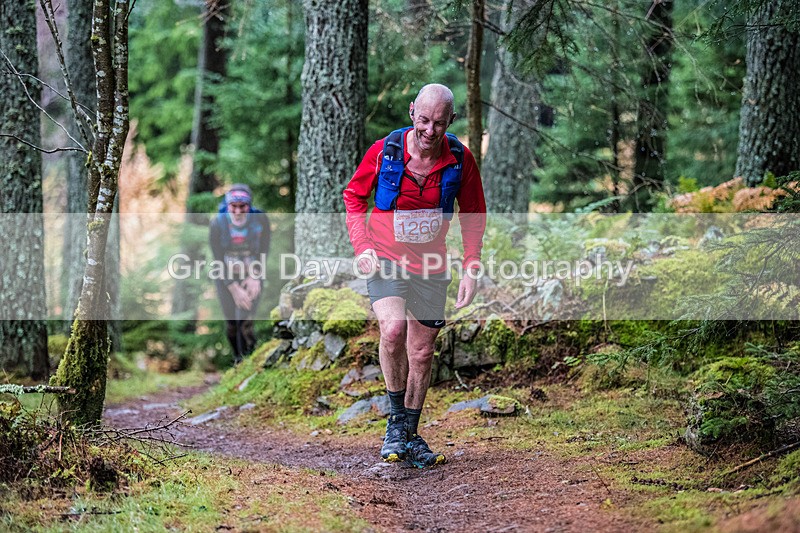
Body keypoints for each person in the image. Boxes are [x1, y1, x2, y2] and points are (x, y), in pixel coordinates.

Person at [343, 84, 487, 467]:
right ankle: (395, 424)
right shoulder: (384, 152)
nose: (429, 130)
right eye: (423, 120)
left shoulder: (460, 159)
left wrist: (471, 266)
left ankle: (409, 433)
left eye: (439, 123)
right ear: (412, 113)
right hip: (385, 257)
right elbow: (353, 196)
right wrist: (363, 247)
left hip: (431, 265)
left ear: (450, 121)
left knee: (422, 352)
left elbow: (474, 213)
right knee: (392, 330)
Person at [209, 184, 270, 364]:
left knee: (245, 319)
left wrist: (256, 276)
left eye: (242, 206)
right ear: (227, 206)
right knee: (232, 323)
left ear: (249, 205)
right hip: (225, 277)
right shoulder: (217, 223)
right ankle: (237, 359)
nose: (237, 211)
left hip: (252, 273)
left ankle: (248, 361)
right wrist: (233, 288)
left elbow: (264, 249)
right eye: (233, 206)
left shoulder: (260, 220)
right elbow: (217, 258)